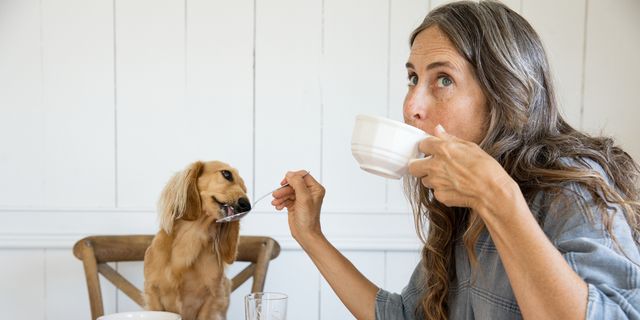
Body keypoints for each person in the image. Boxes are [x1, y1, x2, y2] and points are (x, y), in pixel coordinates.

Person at [271, 1, 640, 319]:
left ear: (506, 92)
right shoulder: (461, 205)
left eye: (443, 79)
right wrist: (311, 235)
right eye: (413, 78)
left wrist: (498, 198)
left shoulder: (572, 190)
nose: (411, 106)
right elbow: (402, 316)